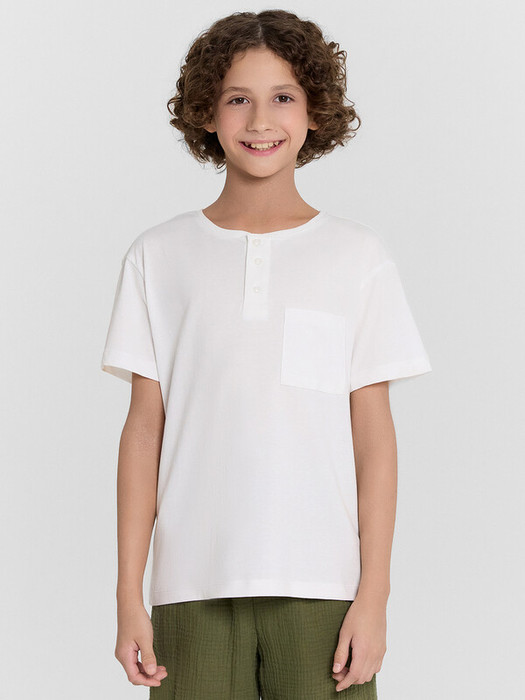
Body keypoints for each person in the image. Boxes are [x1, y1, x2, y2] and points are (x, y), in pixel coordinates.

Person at [101, 9, 432, 699]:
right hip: (190, 586)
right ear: (207, 112)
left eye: (282, 96)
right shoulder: (159, 256)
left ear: (314, 111)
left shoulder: (357, 257)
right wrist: (129, 594)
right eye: (237, 99)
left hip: (324, 588)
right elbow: (142, 432)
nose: (260, 120)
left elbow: (373, 438)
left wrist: (374, 594)